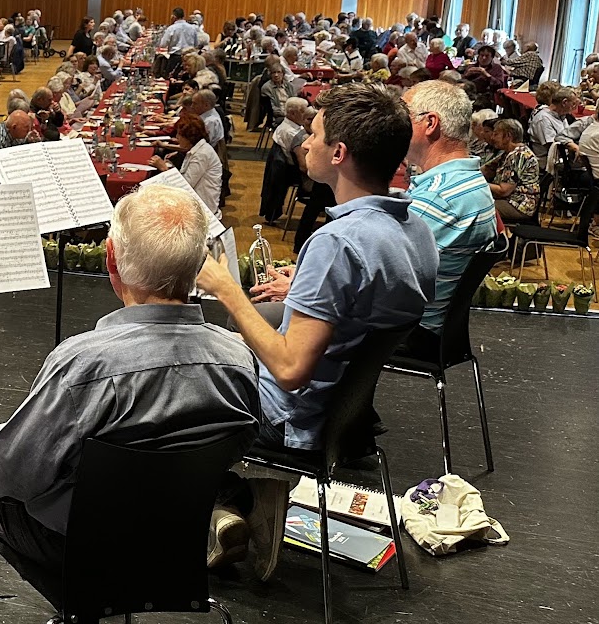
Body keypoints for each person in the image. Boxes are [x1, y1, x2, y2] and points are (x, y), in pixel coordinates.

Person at [0, 185, 261, 607]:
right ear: (201, 264)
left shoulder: (84, 365)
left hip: (75, 547)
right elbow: (240, 443)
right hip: (174, 541)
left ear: (111, 258)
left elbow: (4, 480)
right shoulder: (239, 359)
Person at [195, 83, 436, 581]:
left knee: (167, 374)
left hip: (293, 417)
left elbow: (288, 370)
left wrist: (227, 289)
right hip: (346, 414)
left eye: (316, 135)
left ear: (340, 153)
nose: (305, 143)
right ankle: (228, 502)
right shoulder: (416, 231)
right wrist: (304, 288)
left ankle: (221, 502)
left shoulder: (337, 243)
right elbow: (365, 304)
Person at [398, 81, 499, 363]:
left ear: (430, 123)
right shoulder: (465, 182)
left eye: (402, 116)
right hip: (436, 328)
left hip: (412, 333)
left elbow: (381, 282)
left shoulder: (439, 198)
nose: (394, 125)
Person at [150, 115, 222, 219]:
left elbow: (185, 187)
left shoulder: (202, 154)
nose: (177, 138)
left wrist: (164, 168)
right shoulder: (198, 149)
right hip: (194, 203)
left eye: (179, 135)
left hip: (202, 211)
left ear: (189, 137)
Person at [483, 118, 540, 223]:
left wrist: (479, 183)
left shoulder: (518, 155)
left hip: (518, 205)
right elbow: (486, 169)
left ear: (508, 136)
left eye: (496, 134)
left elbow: (503, 190)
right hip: (511, 200)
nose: (492, 137)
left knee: (477, 206)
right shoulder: (508, 153)